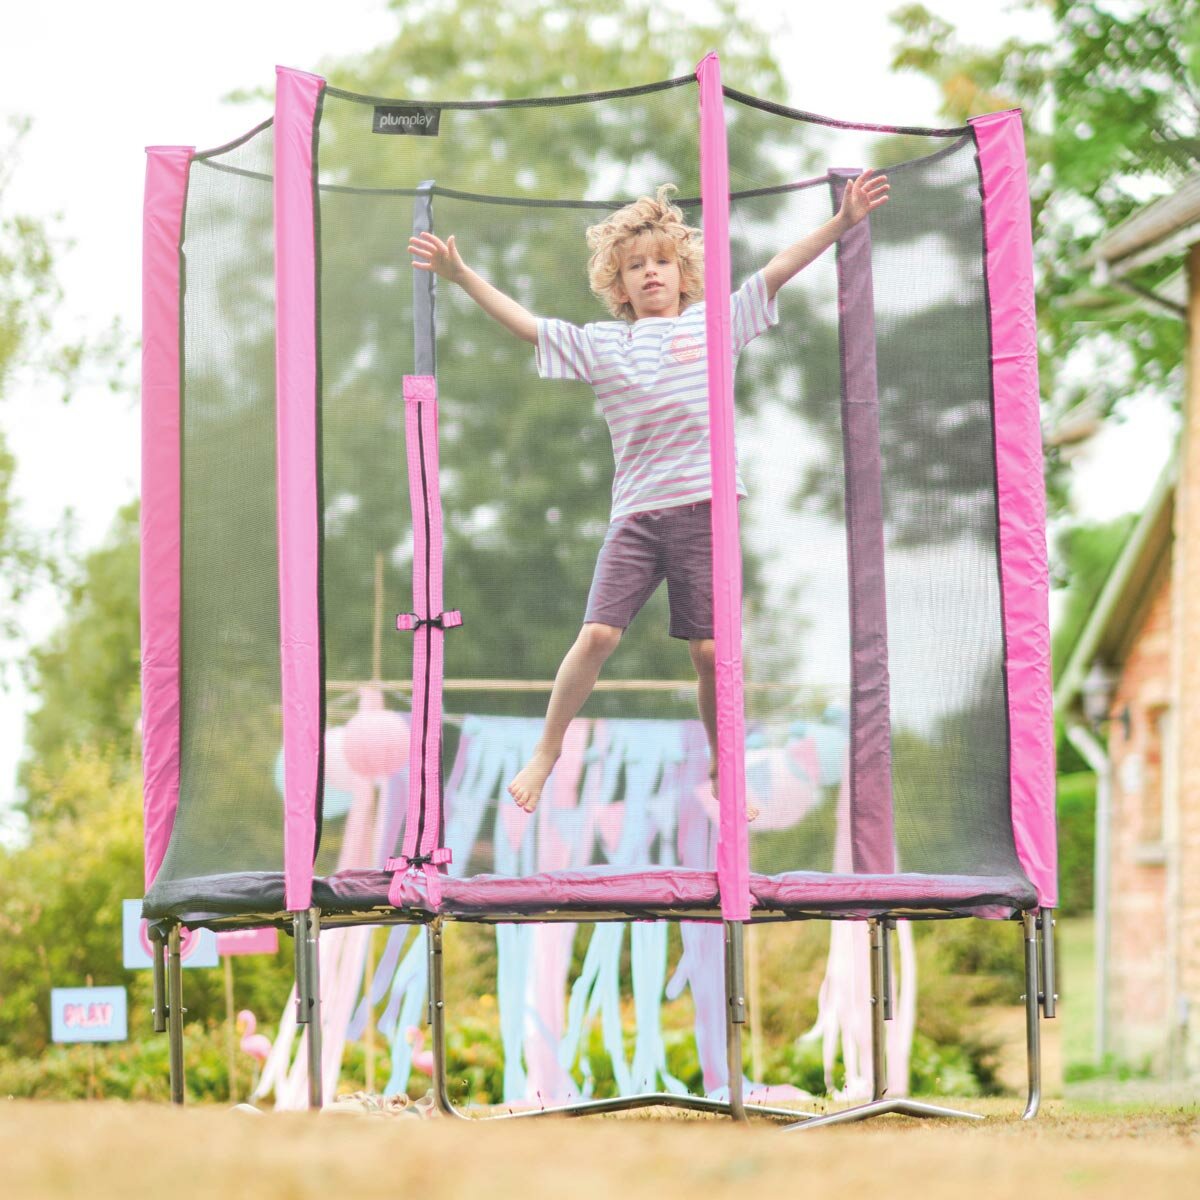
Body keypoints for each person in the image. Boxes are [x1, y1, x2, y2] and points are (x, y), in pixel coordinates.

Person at [409, 171, 889, 814]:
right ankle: (548, 751)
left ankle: (727, 766)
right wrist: (462, 277)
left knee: (712, 651)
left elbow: (774, 271)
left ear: (683, 272)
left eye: (662, 261)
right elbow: (528, 326)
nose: (651, 273)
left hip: (705, 510)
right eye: (635, 266)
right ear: (619, 282)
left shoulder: (715, 324)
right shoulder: (604, 343)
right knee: (599, 636)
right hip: (636, 516)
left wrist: (841, 223)